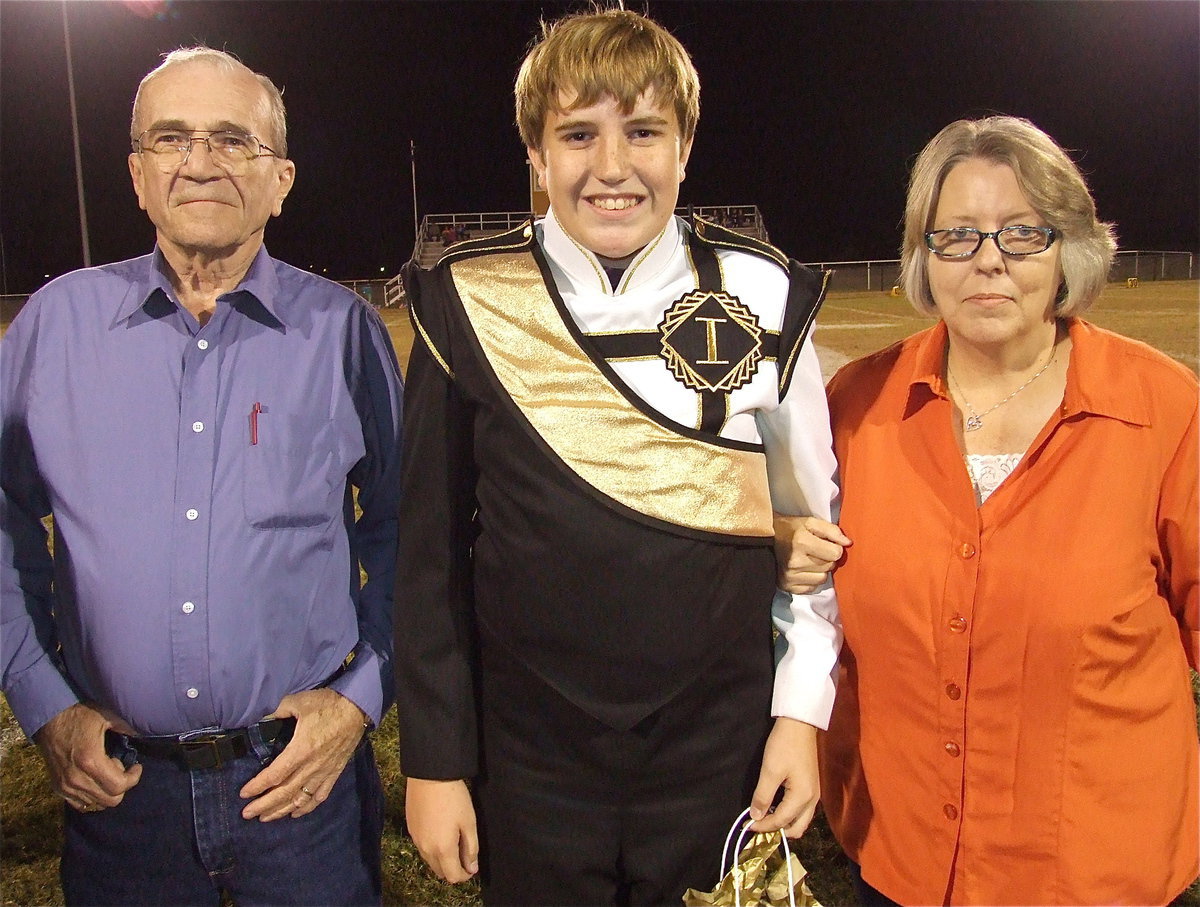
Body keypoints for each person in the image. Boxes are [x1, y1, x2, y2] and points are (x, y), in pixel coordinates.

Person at [394, 9, 841, 905]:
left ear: (684, 148)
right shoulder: (465, 297)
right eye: (577, 134)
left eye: (643, 131)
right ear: (536, 153)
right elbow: (429, 559)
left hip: (719, 747)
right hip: (531, 757)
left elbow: (811, 538)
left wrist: (799, 714)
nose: (611, 166)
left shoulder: (764, 289)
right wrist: (437, 763)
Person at [0, 47, 403, 906]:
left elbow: (410, 526)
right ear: (138, 173)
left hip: (302, 788)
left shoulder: (342, 331)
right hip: (122, 795)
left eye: (232, 140)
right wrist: (45, 703)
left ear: (282, 178)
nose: (200, 161)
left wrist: (361, 697)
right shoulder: (55, 329)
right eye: (172, 138)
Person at [804, 116, 1197, 905]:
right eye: (956, 236)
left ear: (1069, 251)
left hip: (1099, 872)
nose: (989, 259)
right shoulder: (855, 406)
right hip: (900, 857)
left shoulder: (1165, 410)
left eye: (1023, 233)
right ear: (924, 256)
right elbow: (813, 595)